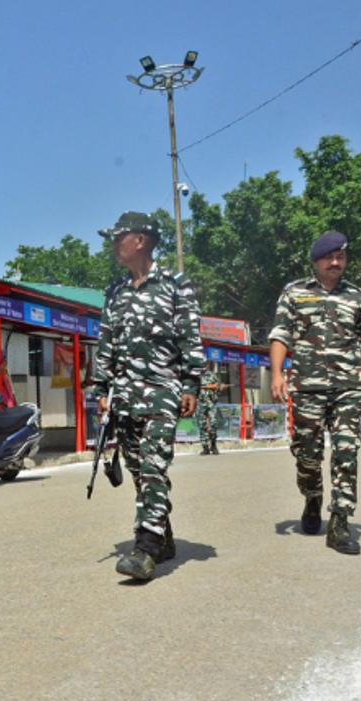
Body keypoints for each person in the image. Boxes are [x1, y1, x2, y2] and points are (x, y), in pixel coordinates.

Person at [92, 212, 205, 582]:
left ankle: (145, 549)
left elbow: (190, 337)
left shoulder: (175, 284)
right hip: (125, 396)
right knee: (139, 472)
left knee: (155, 467)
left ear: (139, 240)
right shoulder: (115, 291)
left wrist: (191, 384)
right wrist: (102, 390)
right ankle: (164, 535)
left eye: (118, 237)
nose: (113, 245)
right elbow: (106, 342)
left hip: (162, 392)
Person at [269, 231, 361, 555]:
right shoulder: (294, 293)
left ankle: (340, 521)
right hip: (307, 388)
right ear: (316, 261)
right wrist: (276, 374)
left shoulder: (358, 297)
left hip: (348, 388)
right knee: (307, 456)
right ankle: (312, 496)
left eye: (341, 257)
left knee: (347, 451)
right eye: (329, 257)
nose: (335, 262)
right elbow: (281, 334)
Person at [196, 364, 222, 455]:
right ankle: (205, 447)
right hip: (200, 403)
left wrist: (206, 387)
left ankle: (213, 445)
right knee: (202, 425)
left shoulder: (211, 375)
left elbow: (218, 386)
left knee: (213, 424)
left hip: (211, 402)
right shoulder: (195, 376)